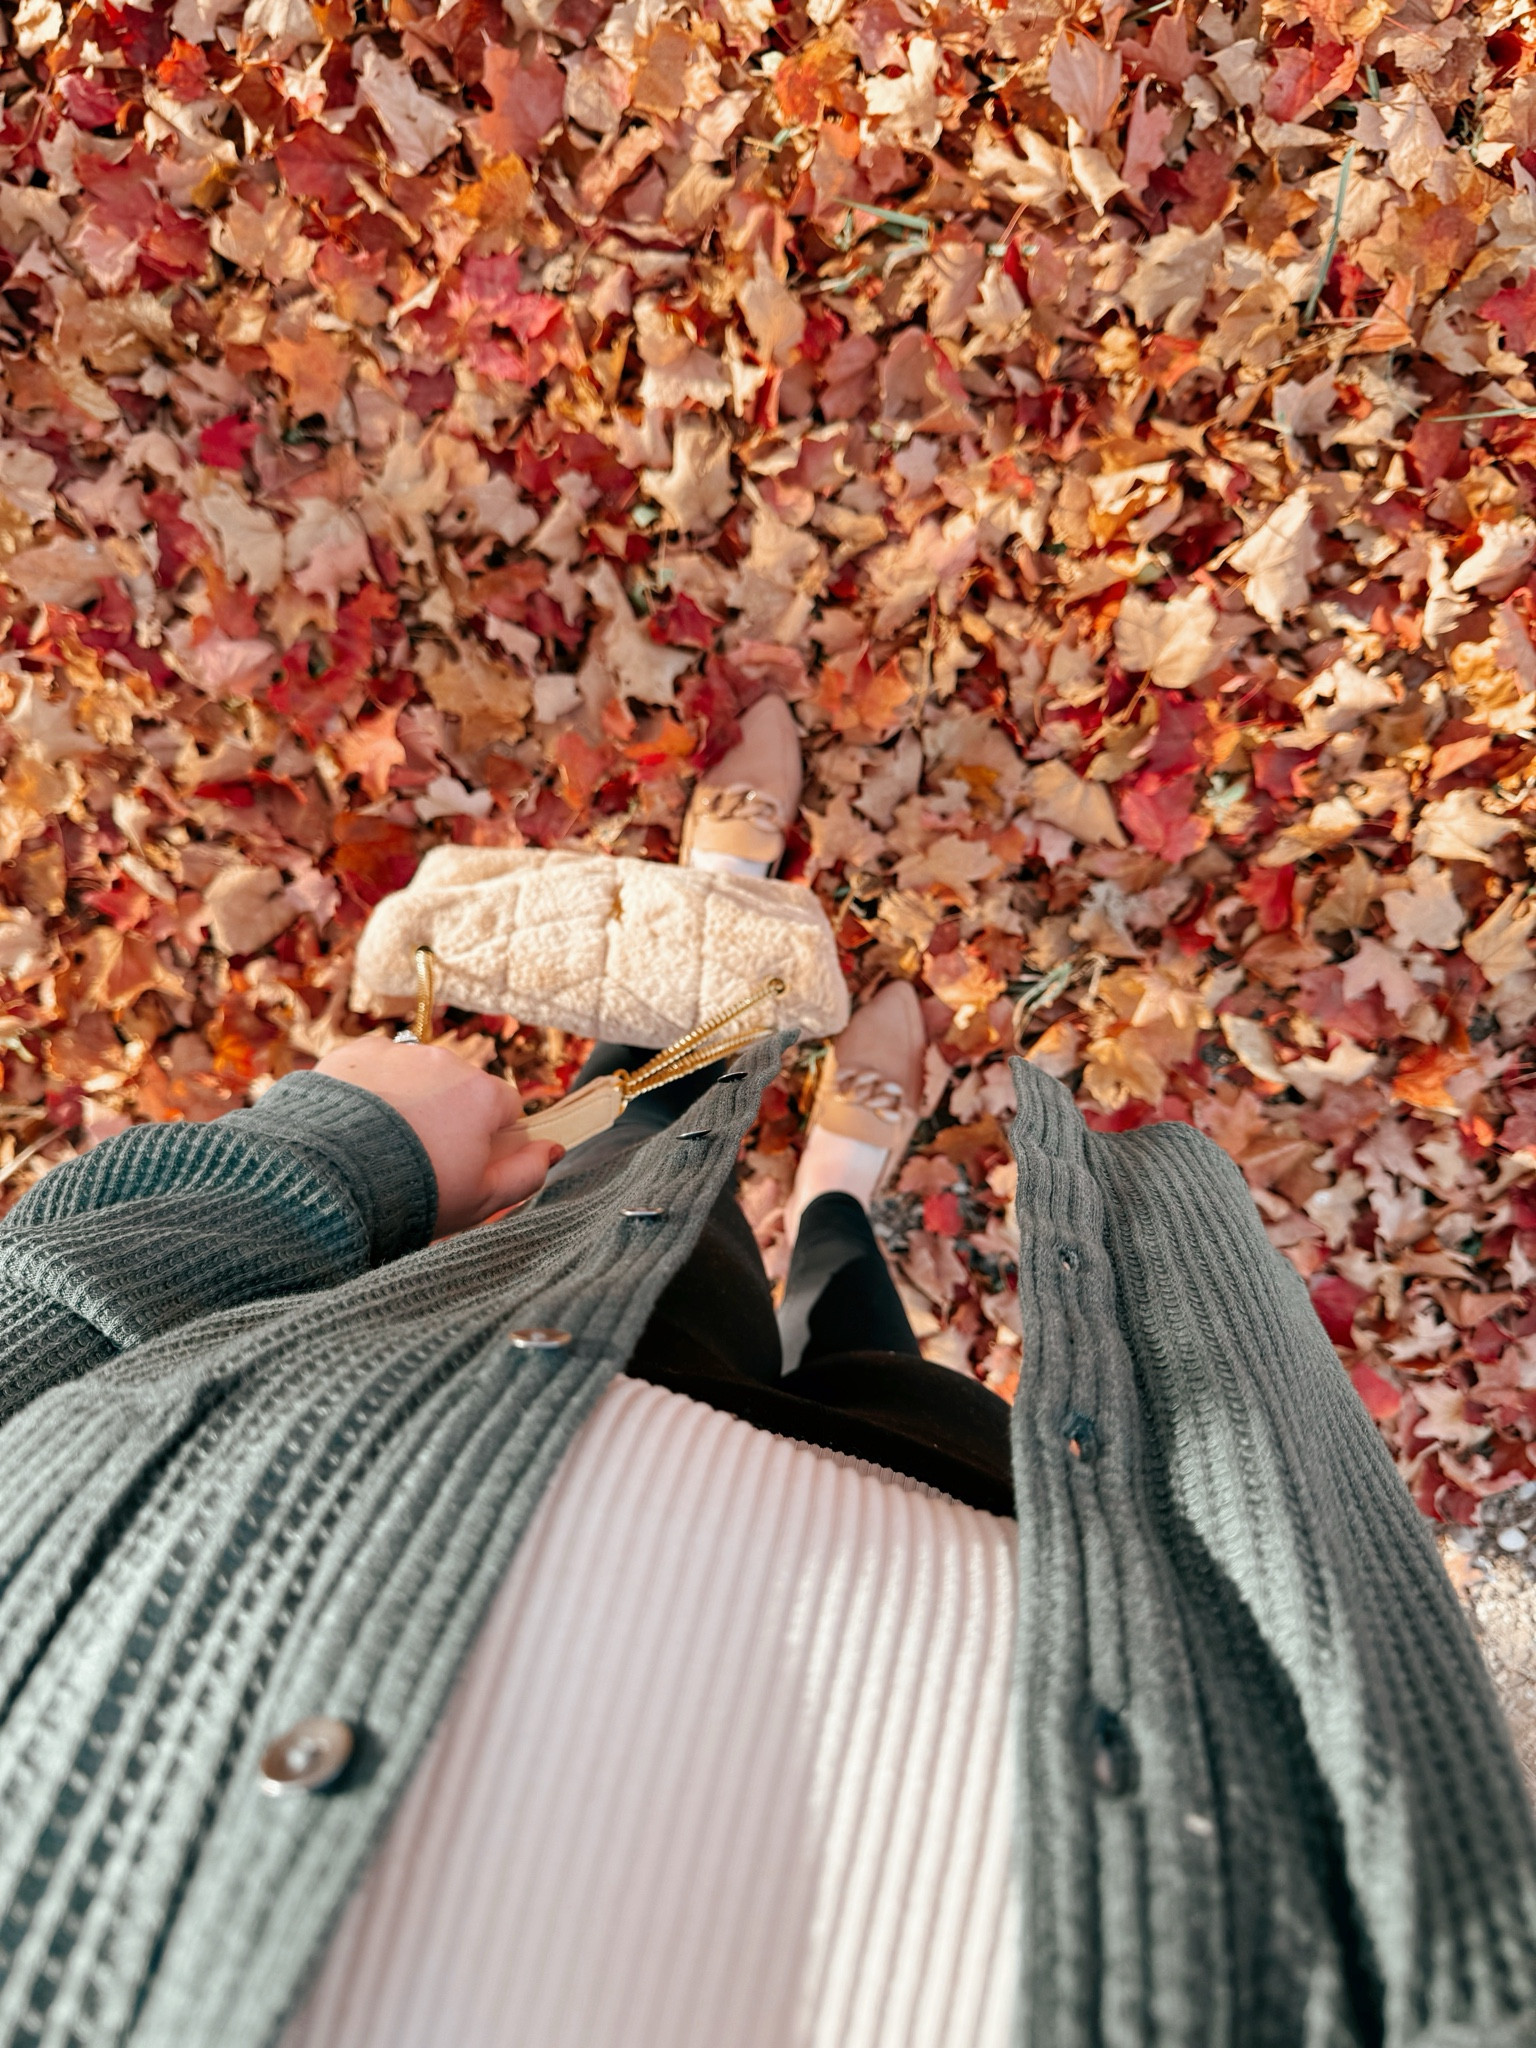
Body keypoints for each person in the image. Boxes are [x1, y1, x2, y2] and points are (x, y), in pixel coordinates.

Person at [1, 698, 1534, 2048]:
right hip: (1010, 1536)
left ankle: (718, 907)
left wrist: (336, 1152)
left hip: (494, 1377)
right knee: (865, 1348)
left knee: (647, 1158)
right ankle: (843, 1181)